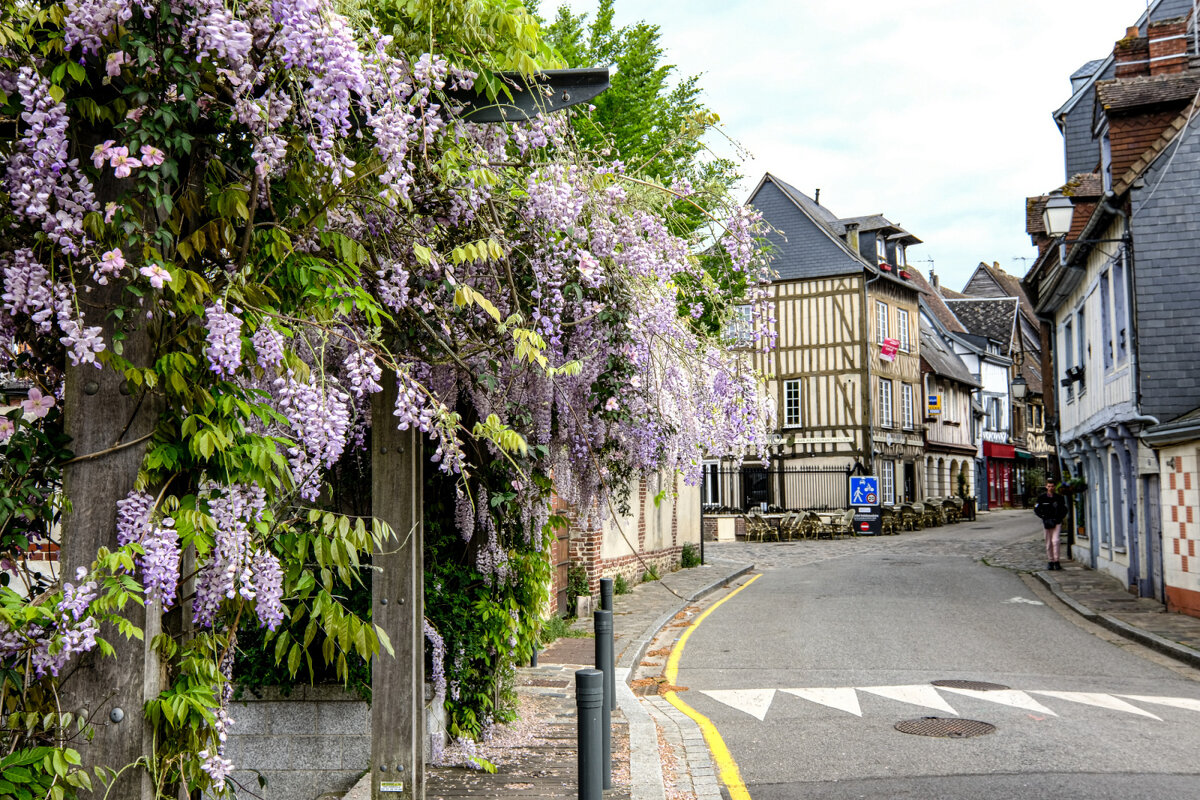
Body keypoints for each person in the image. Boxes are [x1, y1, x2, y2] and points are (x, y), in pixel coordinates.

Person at [1034, 481, 1069, 571]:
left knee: (1056, 541)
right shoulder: (1042, 498)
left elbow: (1064, 509)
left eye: (1052, 486)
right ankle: (1051, 561)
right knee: (1048, 542)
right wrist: (1043, 517)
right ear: (1046, 487)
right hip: (1047, 522)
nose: (1051, 488)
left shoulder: (1059, 498)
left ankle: (1057, 561)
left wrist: (1060, 517)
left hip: (1056, 521)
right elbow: (1037, 509)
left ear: (1054, 487)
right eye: (1049, 486)